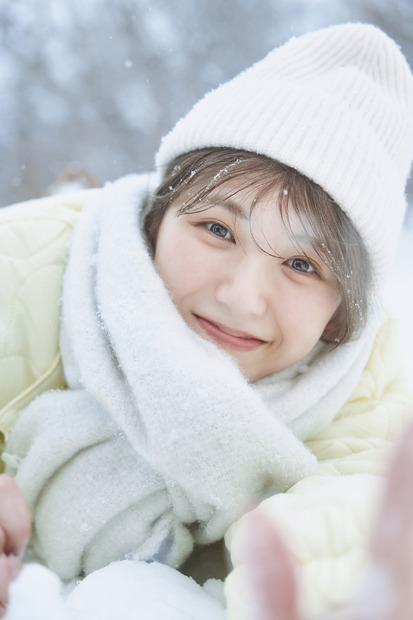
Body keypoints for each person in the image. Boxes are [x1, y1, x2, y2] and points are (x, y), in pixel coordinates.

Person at [0, 21, 412, 619]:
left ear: (341, 314)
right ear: (159, 213)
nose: (244, 297)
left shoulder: (365, 388)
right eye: (218, 229)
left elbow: (349, 538)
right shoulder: (27, 264)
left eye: (301, 264)